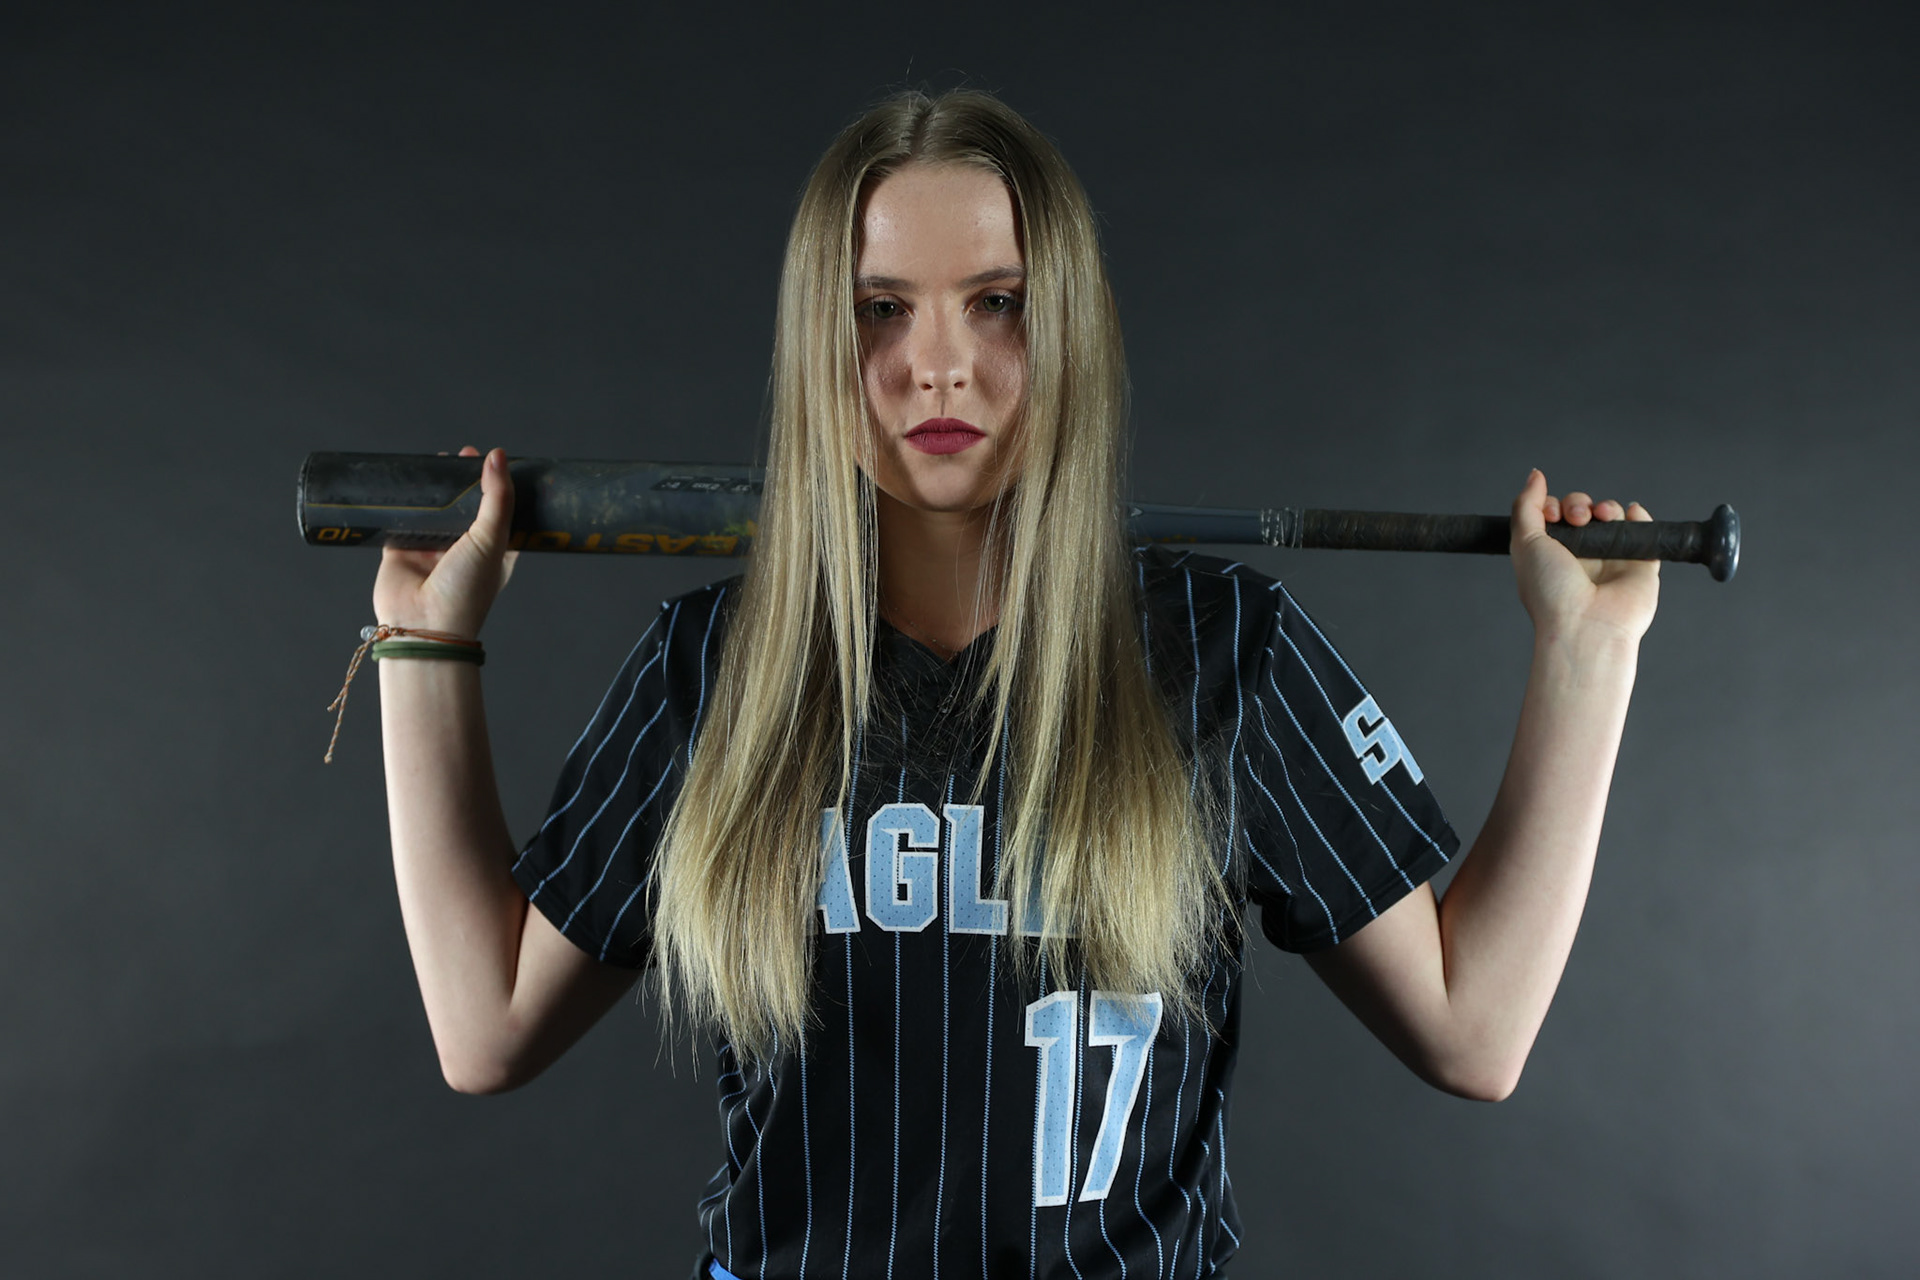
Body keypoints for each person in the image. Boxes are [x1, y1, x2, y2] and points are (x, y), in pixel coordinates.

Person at [367, 89, 1659, 1279]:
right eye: (882, 307)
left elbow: (1471, 1031)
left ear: (1071, 328)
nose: (940, 363)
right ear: (822, 334)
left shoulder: (1223, 646)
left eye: (998, 301)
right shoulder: (714, 666)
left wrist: (1589, 653)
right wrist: (427, 642)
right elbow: (485, 1032)